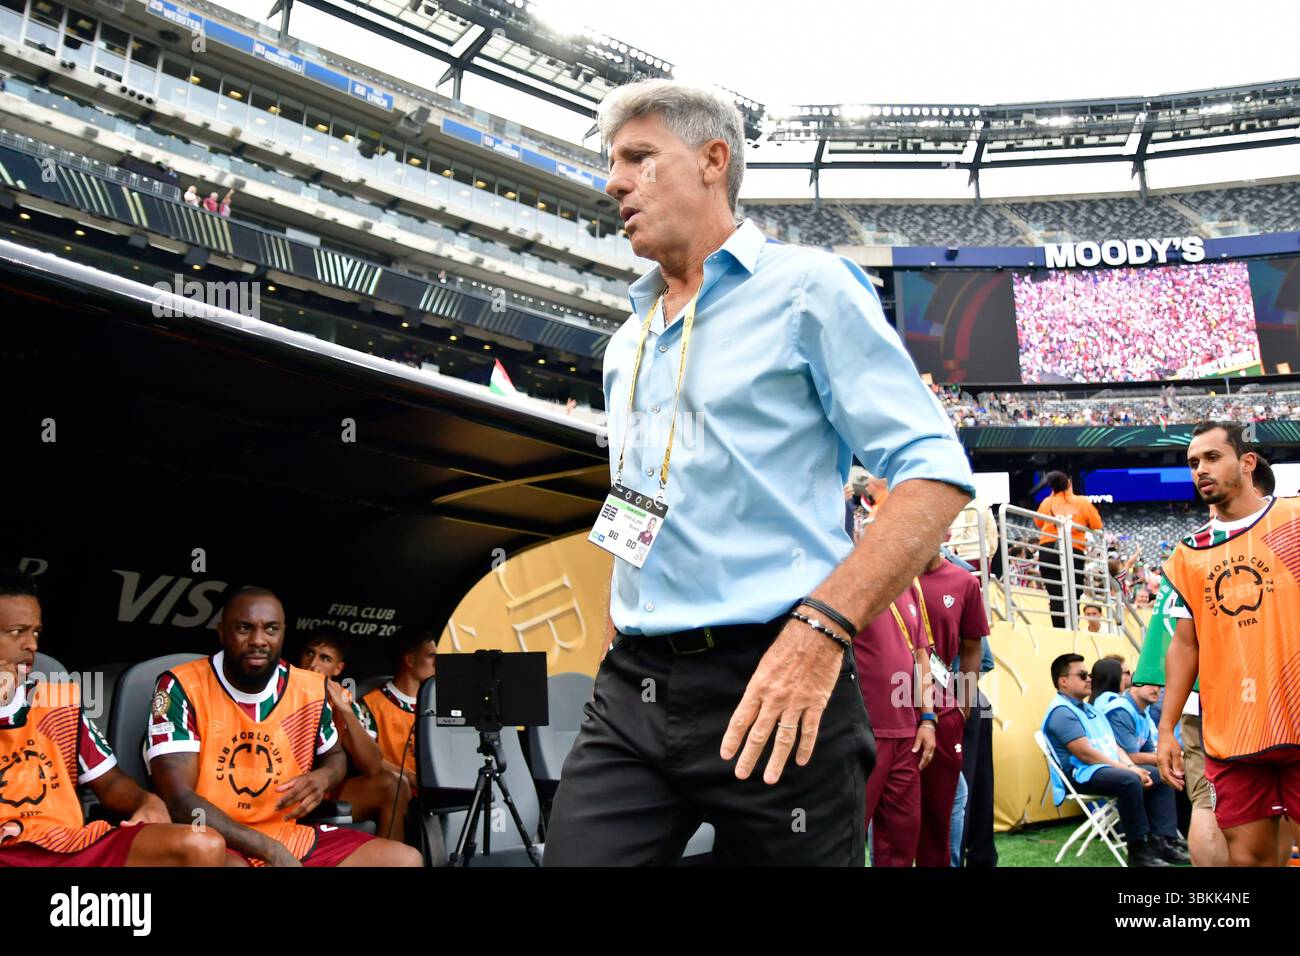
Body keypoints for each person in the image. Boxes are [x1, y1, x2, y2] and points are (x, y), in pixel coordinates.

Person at [545, 79, 974, 867]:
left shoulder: (807, 288)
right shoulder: (625, 343)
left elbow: (934, 473)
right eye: (613, 163)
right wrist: (620, 618)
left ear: (714, 160)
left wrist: (821, 631)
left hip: (778, 674)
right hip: (634, 690)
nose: (614, 182)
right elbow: (638, 494)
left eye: (639, 158)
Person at [147, 587, 420, 866]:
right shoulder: (182, 686)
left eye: (271, 629)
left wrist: (324, 777)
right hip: (212, 837)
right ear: (221, 632)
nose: (258, 640)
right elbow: (179, 800)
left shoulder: (309, 688)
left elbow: (335, 755)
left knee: (405, 859)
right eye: (244, 628)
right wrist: (269, 849)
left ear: (283, 633)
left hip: (284, 832)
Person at [0, 574, 227, 867]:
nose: (31, 644)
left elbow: (110, 783)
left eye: (36, 633)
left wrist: (147, 802)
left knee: (203, 844)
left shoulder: (56, 703)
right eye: (17, 631)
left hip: (65, 845)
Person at [1157, 422, 1300, 867]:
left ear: (1246, 462)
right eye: (1193, 463)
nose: (1200, 469)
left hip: (1296, 719)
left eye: (1212, 458)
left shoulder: (1293, 521)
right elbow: (1184, 646)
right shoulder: (1188, 554)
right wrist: (1166, 729)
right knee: (1249, 860)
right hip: (1233, 735)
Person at [1042, 654, 1179, 866]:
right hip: (1082, 773)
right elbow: (1085, 754)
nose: (1089, 679)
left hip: (1103, 768)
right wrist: (1129, 771)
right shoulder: (1061, 712)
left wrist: (1132, 766)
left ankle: (1163, 842)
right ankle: (1138, 852)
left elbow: (1113, 745)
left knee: (1160, 774)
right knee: (1129, 780)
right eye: (1082, 675)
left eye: (1088, 674)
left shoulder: (1089, 709)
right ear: (1063, 681)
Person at [297, 627, 412, 843]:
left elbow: (373, 766)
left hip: (325, 789)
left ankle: (392, 858)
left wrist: (345, 711)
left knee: (394, 786)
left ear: (338, 668)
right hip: (283, 786)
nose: (313, 664)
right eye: (309, 653)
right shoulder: (280, 687)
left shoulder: (343, 699)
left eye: (325, 658)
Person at [914, 551, 988, 867]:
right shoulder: (889, 576)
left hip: (943, 712)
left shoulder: (963, 582)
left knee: (948, 803)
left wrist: (964, 705)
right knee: (893, 806)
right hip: (893, 708)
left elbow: (973, 648)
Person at [855, 581, 936, 867]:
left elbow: (921, 656)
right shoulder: (850, 577)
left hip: (907, 735)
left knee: (902, 839)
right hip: (862, 732)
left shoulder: (910, 586)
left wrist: (928, 719)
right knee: (847, 835)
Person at [361, 628, 437, 787]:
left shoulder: (437, 704)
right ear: (409, 660)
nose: (437, 662)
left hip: (433, 798)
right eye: (431, 656)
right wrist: (410, 778)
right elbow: (368, 760)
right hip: (391, 795)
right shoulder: (369, 705)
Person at [1035, 471, 1103, 629]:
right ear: (1069, 484)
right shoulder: (1081, 502)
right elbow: (1097, 524)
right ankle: (1072, 628)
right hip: (1073, 550)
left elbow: (1038, 522)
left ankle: (1059, 629)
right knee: (1074, 593)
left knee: (1055, 594)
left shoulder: (1047, 502)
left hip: (1048, 549)